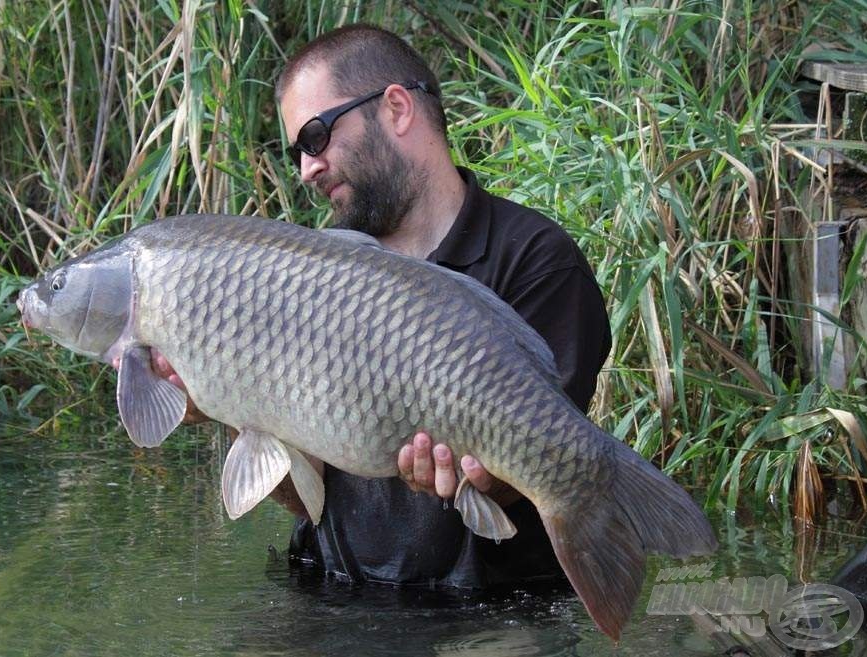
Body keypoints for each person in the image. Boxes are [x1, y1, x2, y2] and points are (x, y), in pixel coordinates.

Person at [153, 24, 611, 588]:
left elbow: (546, 460)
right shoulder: (314, 275)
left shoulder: (535, 259)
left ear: (395, 109)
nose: (306, 169)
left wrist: (483, 475)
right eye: (297, 151)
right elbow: (307, 501)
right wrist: (233, 406)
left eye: (316, 137)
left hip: (476, 611)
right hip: (330, 594)